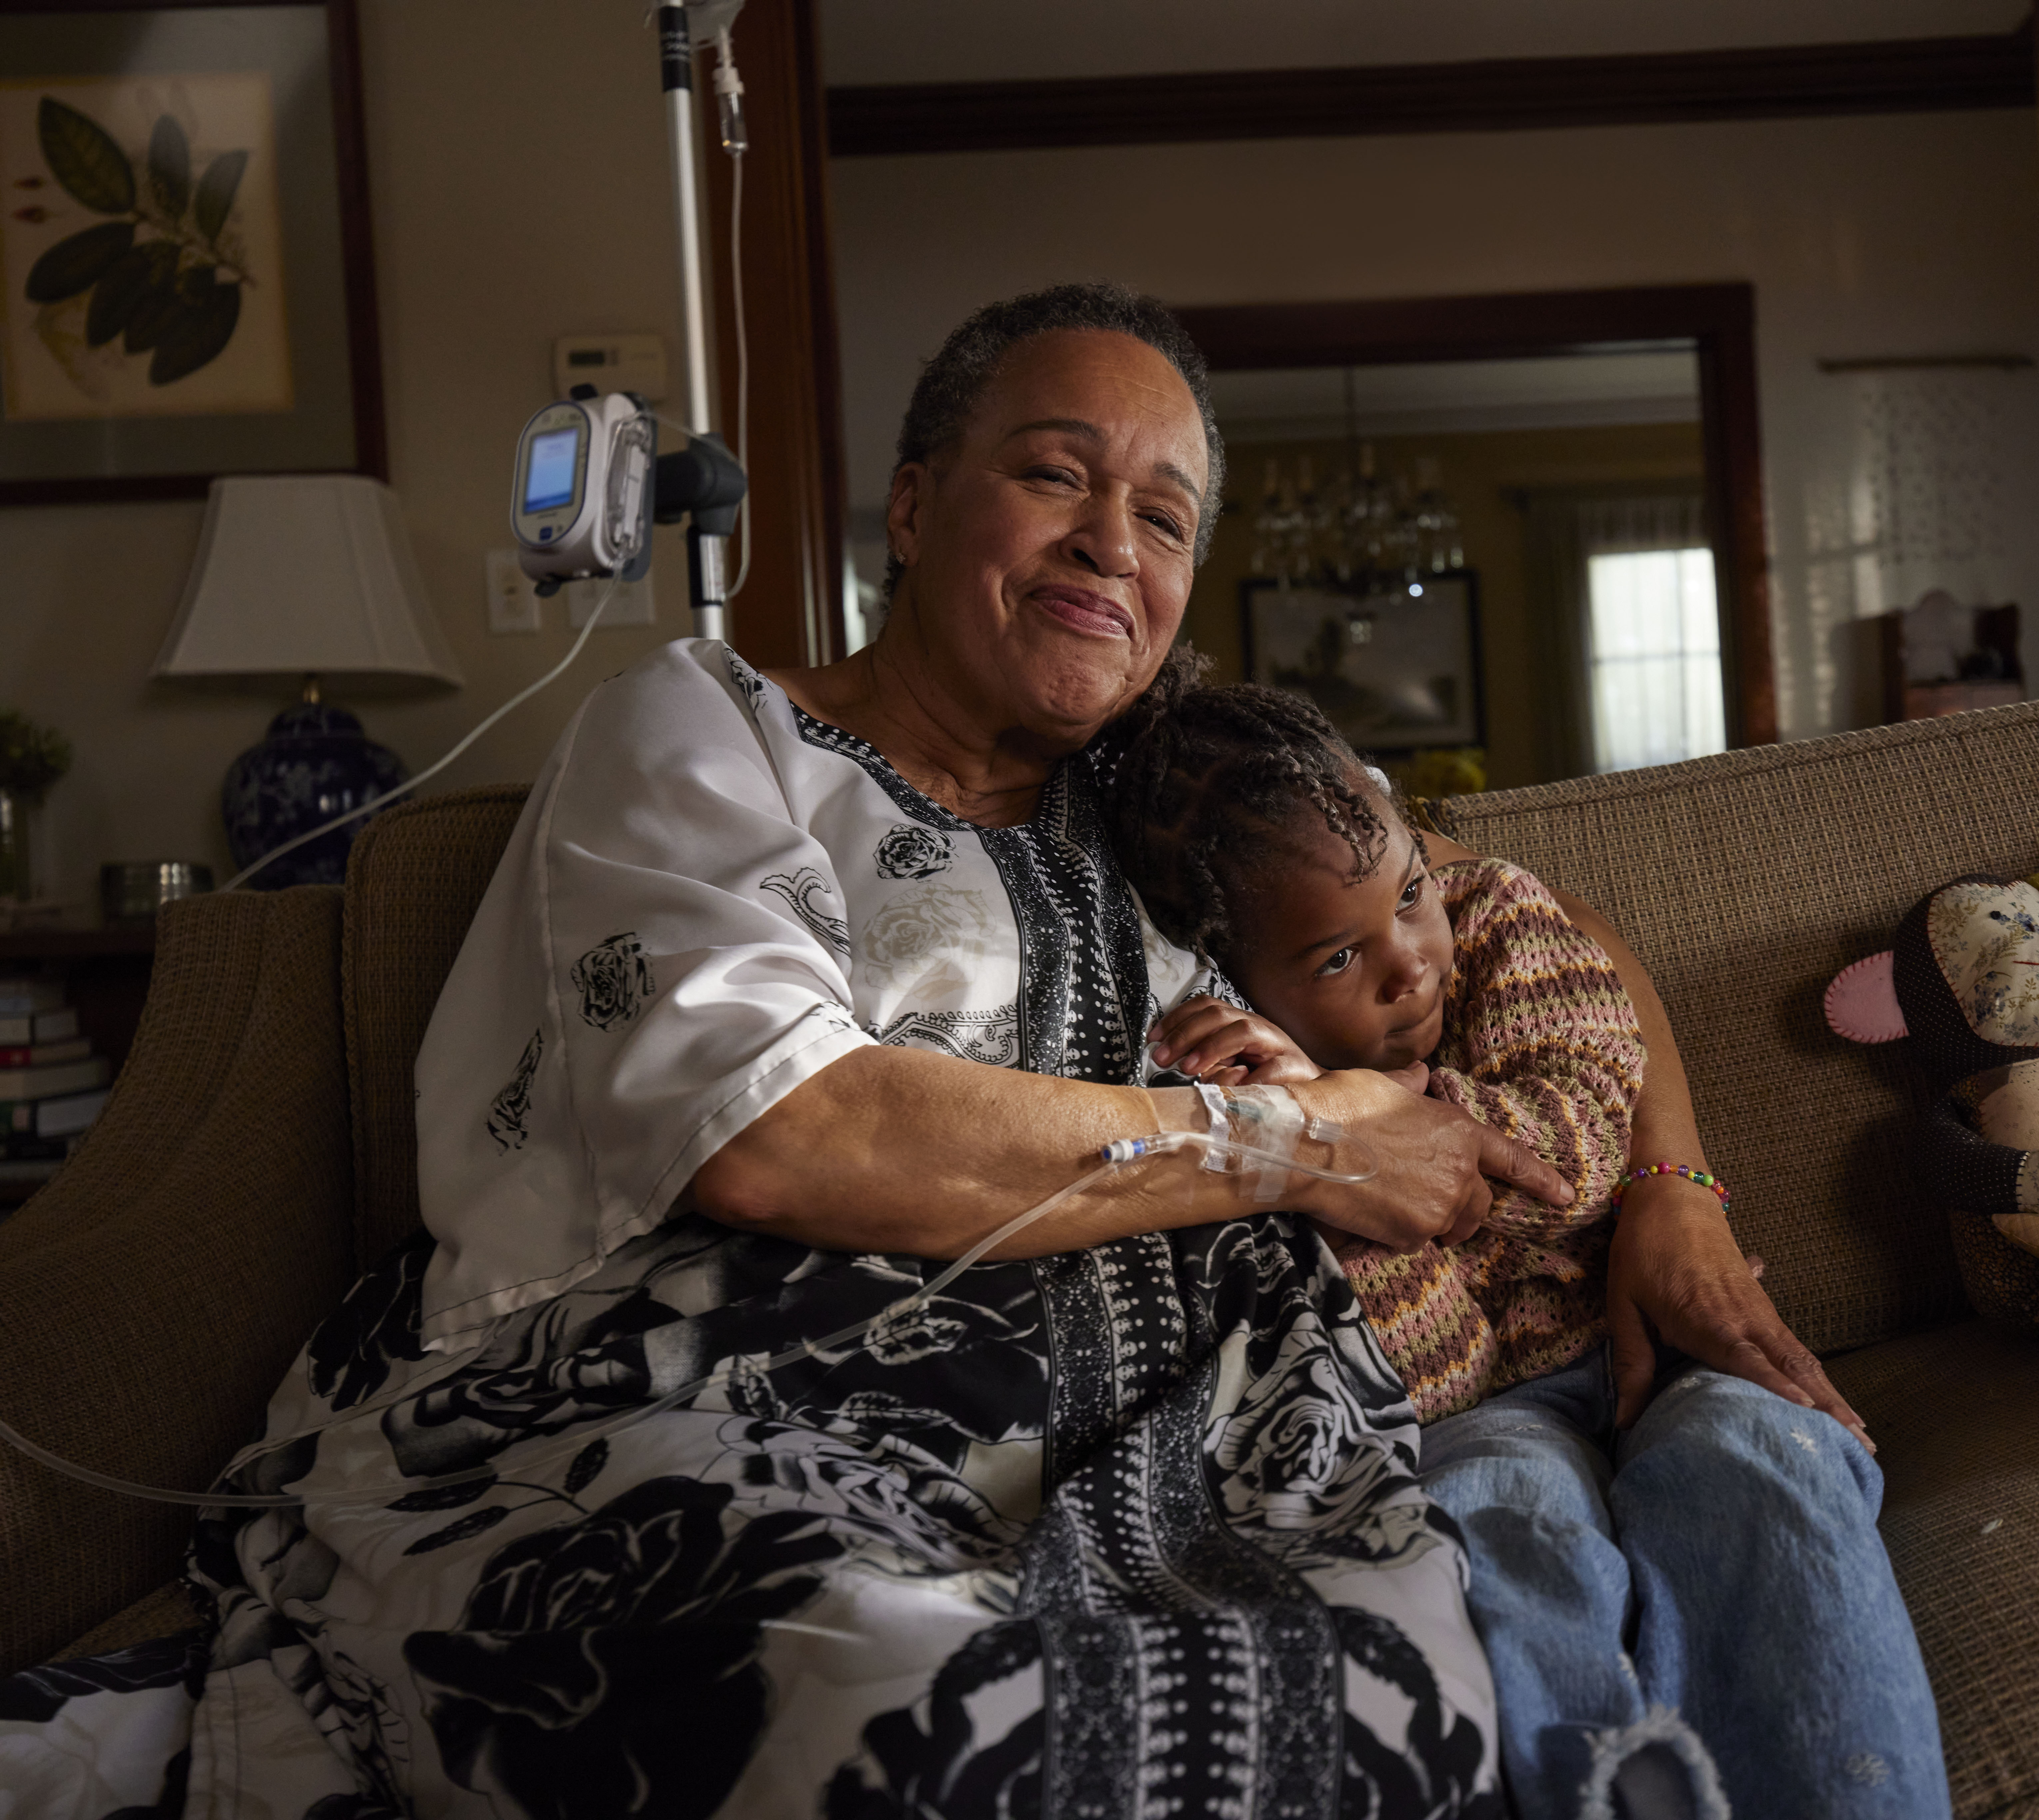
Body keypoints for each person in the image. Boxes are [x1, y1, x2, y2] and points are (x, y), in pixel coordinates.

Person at [0, 282, 1890, 1818]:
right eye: (1055, 476)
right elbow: (783, 1134)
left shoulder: (1180, 810)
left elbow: (1536, 929)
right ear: (913, 507)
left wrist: (1674, 1190)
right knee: (923, 1724)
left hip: (1165, 1434)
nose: (1109, 543)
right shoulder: (708, 732)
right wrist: (1301, 1148)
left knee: (1398, 1700)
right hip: (711, 1394)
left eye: (1162, 515)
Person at [1105, 678, 1950, 1819]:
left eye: (1409, 896)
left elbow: (1579, 1148)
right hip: (1486, 1408)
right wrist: (1335, 1157)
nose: (1410, 961)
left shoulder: (1496, 916)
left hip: (1664, 1330)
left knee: (1760, 1461)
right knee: (1493, 1514)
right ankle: (1611, 1790)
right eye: (1335, 962)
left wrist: (1398, 1110)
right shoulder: (1248, 1102)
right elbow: (1437, 1377)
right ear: (1236, 979)